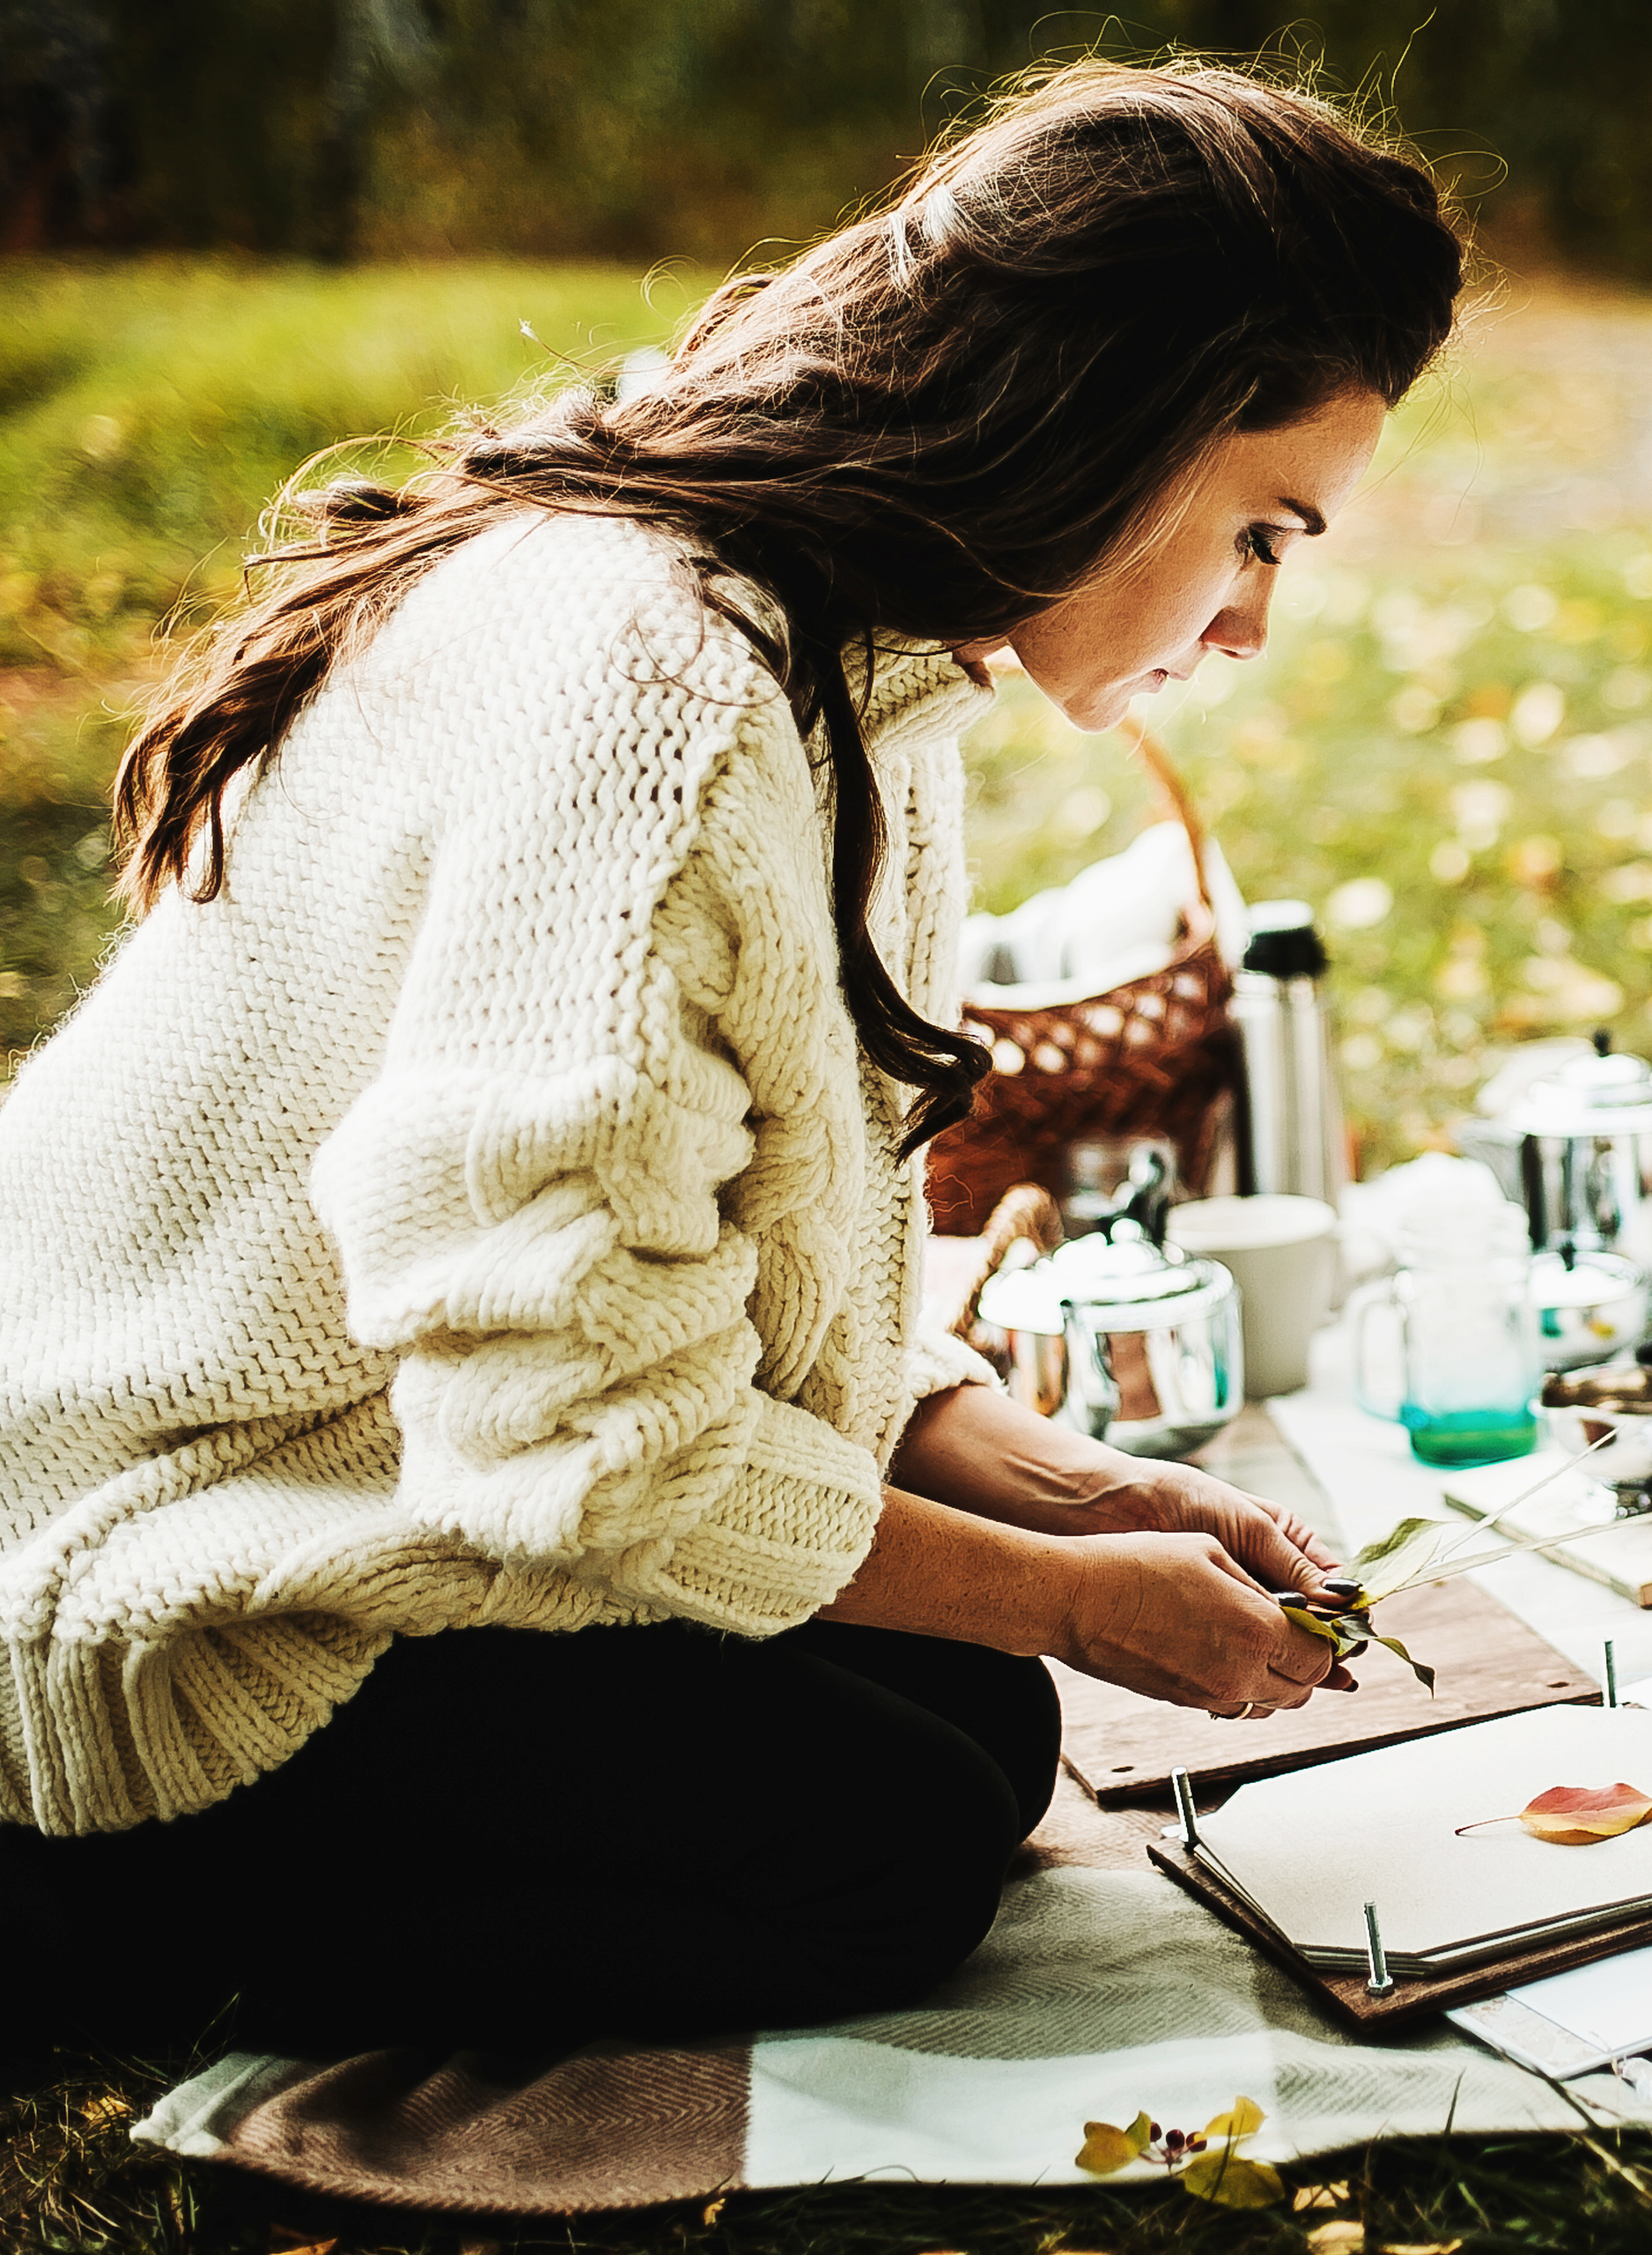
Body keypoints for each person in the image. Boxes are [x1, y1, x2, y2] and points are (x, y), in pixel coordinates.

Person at [0, 58, 1462, 2054]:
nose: (1252, 626)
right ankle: (124, 1938)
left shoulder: (865, 650)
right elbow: (582, 1442)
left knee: (974, 1721)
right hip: (164, 1582)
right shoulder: (671, 704)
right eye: (1261, 533)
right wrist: (1085, 1599)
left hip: (404, 1455)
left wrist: (1037, 1477)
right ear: (1119, 426)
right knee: (887, 1845)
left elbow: (720, 1238)